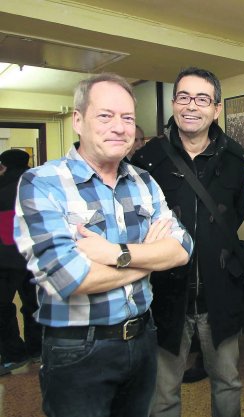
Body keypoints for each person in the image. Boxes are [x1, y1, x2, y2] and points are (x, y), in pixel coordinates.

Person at [13, 73, 193, 417]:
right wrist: (152, 260)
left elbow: (183, 247)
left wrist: (116, 254)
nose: (119, 127)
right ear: (78, 120)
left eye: (127, 118)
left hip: (142, 338)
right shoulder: (43, 183)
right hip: (77, 349)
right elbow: (70, 279)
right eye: (105, 115)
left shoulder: (142, 180)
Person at [132, 66, 244, 417]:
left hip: (220, 291)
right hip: (167, 294)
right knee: (163, 389)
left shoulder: (234, 158)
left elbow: (235, 216)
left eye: (202, 99)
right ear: (173, 104)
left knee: (227, 381)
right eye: (183, 97)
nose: (191, 106)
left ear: (216, 108)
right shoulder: (147, 159)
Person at [0, 149, 42, 376]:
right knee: (34, 305)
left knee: (4, 308)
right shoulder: (36, 182)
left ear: (4, 165)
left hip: (8, 260)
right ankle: (37, 349)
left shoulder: (4, 189)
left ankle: (14, 355)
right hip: (35, 257)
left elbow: (6, 233)